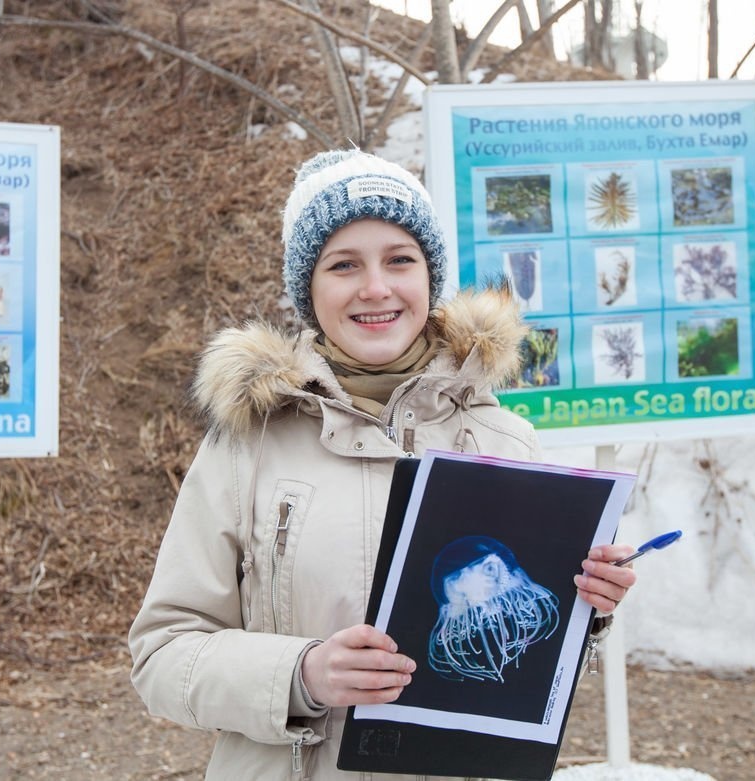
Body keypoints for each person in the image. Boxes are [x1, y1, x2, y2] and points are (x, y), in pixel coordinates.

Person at [129, 149, 638, 780]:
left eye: (400, 260)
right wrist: (301, 674)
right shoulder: (247, 445)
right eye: (344, 265)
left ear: (430, 276)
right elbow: (162, 655)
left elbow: (521, 664)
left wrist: (587, 607)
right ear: (309, 292)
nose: (376, 288)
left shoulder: (506, 438)